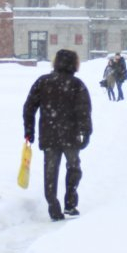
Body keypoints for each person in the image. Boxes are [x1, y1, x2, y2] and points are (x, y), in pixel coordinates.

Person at [23, 49, 92, 222]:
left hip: (49, 134)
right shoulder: (77, 84)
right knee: (74, 167)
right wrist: (86, 132)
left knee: (50, 171)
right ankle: (70, 201)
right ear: (74, 64)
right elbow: (84, 111)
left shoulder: (43, 82)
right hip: (71, 136)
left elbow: (29, 107)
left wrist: (29, 130)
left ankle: (53, 206)